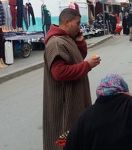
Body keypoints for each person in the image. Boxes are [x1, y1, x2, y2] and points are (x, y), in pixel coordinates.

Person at [43, 8, 101, 150]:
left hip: (74, 98)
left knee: (77, 135)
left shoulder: (66, 39)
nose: (79, 27)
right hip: (64, 103)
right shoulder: (56, 43)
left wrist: (80, 42)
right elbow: (60, 73)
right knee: (65, 136)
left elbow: (76, 59)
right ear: (67, 22)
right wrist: (87, 65)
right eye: (78, 23)